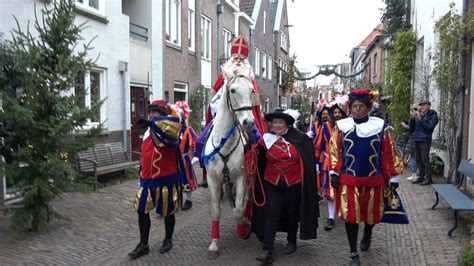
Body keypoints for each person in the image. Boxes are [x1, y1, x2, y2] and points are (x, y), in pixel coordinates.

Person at [329, 89, 403, 266]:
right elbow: (335, 151)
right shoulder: (342, 127)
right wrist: (334, 173)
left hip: (374, 181)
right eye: (354, 106)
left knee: (372, 215)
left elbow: (389, 153)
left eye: (361, 106)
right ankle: (353, 254)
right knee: (350, 216)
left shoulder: (381, 128)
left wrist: (393, 177)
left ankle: (368, 233)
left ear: (368, 108)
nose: (357, 110)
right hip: (349, 181)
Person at [195, 34, 267, 187]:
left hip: (244, 114)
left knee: (258, 141)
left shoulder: (249, 77)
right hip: (222, 115)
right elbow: (213, 98)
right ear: (232, 58)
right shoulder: (225, 75)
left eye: (241, 59)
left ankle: (254, 172)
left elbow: (254, 102)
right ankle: (206, 170)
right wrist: (216, 109)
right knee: (201, 140)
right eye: (236, 58)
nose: (238, 62)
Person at [251, 107, 319, 264]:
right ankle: (268, 250)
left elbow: (308, 161)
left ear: (287, 125)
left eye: (280, 122)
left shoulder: (300, 139)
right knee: (271, 213)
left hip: (294, 183)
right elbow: (256, 159)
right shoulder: (264, 140)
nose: (277, 125)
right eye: (275, 122)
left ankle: (291, 241)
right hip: (271, 183)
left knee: (292, 213)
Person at [128, 100, 185, 260]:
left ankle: (168, 239)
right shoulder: (148, 131)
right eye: (151, 112)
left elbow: (169, 135)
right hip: (147, 180)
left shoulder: (172, 129)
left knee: (168, 211)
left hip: (166, 179)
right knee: (141, 210)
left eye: (156, 112)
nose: (152, 115)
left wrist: (154, 124)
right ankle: (143, 244)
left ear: (164, 115)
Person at [318, 98, 348, 231]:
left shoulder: (348, 126)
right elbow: (319, 145)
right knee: (330, 192)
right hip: (329, 163)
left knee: (344, 189)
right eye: (334, 112)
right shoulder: (325, 127)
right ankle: (331, 217)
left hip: (345, 163)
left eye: (339, 112)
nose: (337, 114)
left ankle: (345, 212)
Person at [175, 100, 198, 211]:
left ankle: (188, 200)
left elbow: (196, 143)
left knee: (186, 179)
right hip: (174, 159)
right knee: (175, 180)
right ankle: (177, 200)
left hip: (185, 159)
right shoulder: (173, 131)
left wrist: (195, 156)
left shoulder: (188, 130)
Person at [410, 100, 439, 185]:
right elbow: (412, 128)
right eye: (421, 105)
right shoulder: (420, 114)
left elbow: (429, 127)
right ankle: (421, 177)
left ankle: (428, 179)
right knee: (418, 159)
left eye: (424, 105)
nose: (422, 107)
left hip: (425, 140)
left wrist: (420, 118)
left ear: (429, 106)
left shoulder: (433, 115)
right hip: (417, 139)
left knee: (425, 159)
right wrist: (412, 118)